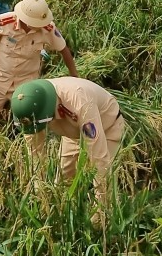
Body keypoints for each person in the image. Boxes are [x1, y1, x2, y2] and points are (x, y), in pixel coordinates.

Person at [10, 77, 126, 205]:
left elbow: (99, 157)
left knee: (104, 181)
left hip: (106, 128)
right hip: (72, 134)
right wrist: (39, 189)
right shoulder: (32, 108)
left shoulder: (80, 102)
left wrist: (102, 199)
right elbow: (35, 152)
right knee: (62, 185)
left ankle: (104, 216)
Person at [0, 0, 77, 125]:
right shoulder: (3, 22)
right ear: (26, 19)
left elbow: (64, 50)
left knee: (32, 125)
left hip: (26, 85)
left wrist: (74, 75)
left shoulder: (48, 29)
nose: (40, 25)